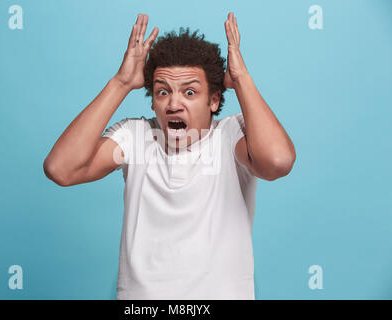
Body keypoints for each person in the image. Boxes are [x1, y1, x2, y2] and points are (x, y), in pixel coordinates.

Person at [43, 12, 296, 299]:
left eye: (189, 92)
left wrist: (240, 79)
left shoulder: (230, 136)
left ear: (214, 101)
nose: (174, 103)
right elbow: (60, 169)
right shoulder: (136, 136)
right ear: (153, 102)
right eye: (163, 92)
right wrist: (121, 82)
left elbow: (277, 162)